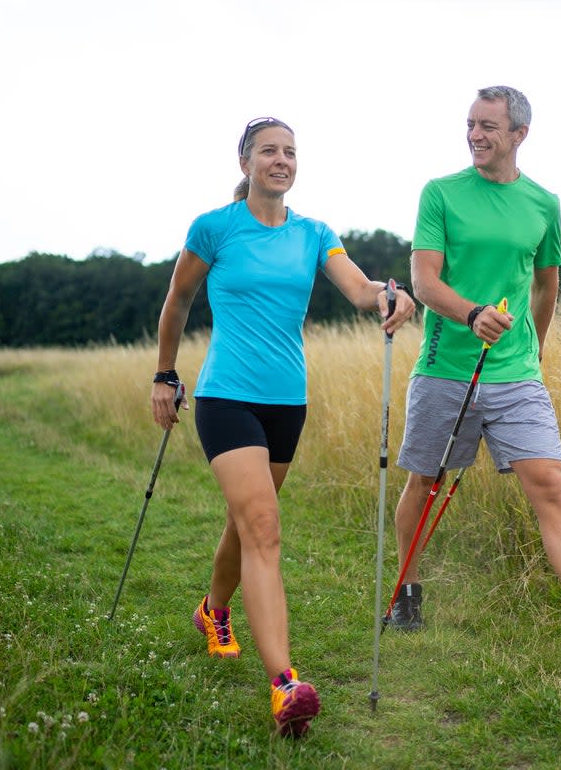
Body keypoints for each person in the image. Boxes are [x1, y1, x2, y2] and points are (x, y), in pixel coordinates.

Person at [151, 116, 415, 736]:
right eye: (269, 150)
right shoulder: (214, 227)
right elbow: (178, 301)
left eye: (290, 152)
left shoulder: (316, 234)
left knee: (247, 523)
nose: (281, 160)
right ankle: (284, 685)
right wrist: (165, 374)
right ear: (245, 162)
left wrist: (390, 294)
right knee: (264, 527)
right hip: (225, 398)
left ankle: (213, 610)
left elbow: (359, 289)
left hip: (286, 403)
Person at [390, 86, 561, 672]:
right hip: (445, 368)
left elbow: (546, 285)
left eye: (488, 126)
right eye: (470, 124)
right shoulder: (441, 193)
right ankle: (407, 590)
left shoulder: (543, 203)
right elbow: (425, 281)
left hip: (516, 375)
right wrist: (472, 314)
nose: (475, 135)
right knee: (424, 483)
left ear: (519, 134)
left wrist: (534, 353)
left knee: (550, 486)